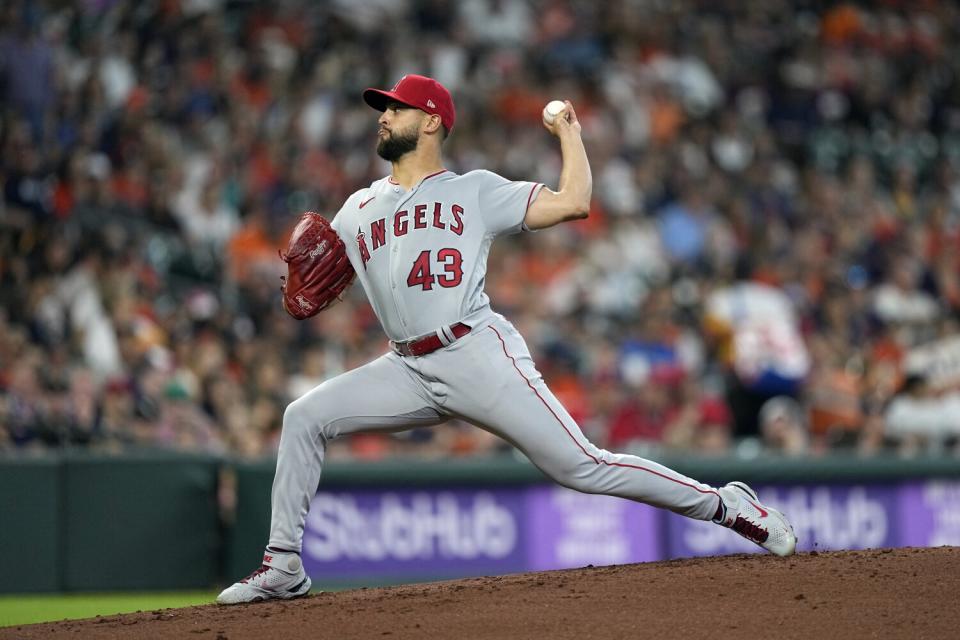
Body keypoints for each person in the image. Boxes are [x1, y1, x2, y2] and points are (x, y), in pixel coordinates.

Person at [217, 74, 797, 605]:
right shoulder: (357, 208)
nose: (383, 117)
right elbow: (319, 282)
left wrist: (569, 132)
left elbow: (575, 202)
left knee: (582, 467)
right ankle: (284, 565)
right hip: (405, 368)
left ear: (432, 121)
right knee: (303, 416)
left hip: (476, 352)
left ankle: (727, 505)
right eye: (383, 109)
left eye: (395, 108)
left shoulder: (474, 190)